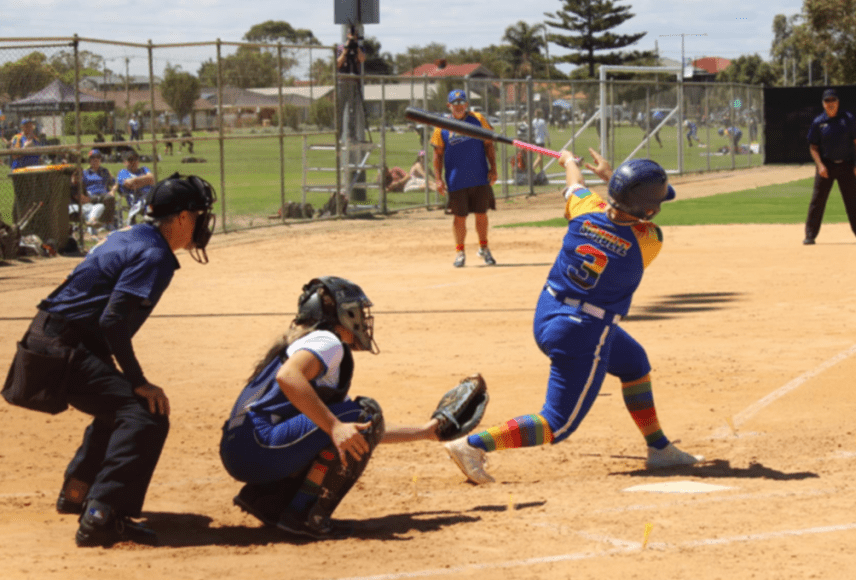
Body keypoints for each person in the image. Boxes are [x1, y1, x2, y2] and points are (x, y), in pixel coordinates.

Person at [443, 148, 703, 485]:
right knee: (557, 424)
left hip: (549, 312)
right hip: (584, 331)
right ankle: (472, 445)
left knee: (634, 362)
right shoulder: (648, 240)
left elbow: (574, 185)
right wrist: (614, 180)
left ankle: (659, 449)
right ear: (649, 208)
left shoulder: (584, 210)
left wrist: (568, 161)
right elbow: (642, 215)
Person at [4, 173, 216, 547]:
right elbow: (113, 319)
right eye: (199, 215)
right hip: (62, 349)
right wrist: (138, 379)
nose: (202, 223)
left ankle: (78, 492)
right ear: (182, 218)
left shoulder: (132, 236)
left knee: (118, 406)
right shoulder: (154, 255)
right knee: (145, 413)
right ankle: (102, 516)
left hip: (50, 341)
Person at [220, 277, 447, 539]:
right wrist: (335, 426)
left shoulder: (303, 343)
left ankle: (267, 499)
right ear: (339, 314)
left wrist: (427, 431)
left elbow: (360, 431)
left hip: (245, 448)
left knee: (354, 419)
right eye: (356, 311)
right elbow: (289, 377)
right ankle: (305, 516)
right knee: (363, 412)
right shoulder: (328, 341)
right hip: (260, 446)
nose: (362, 318)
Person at [432, 89, 498, 267]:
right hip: (456, 179)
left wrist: (494, 168)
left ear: (467, 104)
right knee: (459, 217)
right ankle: (460, 252)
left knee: (481, 214)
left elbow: (489, 144)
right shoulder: (442, 125)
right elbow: (437, 154)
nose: (459, 106)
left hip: (479, 176)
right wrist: (438, 179)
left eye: (462, 102)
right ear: (449, 106)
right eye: (455, 104)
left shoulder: (478, 119)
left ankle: (484, 248)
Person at [803, 88, 856, 245]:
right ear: (823, 104)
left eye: (833, 100)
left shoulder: (848, 119)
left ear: (838, 102)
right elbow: (813, 147)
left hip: (846, 165)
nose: (830, 104)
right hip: (826, 166)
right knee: (817, 201)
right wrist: (820, 165)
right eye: (827, 101)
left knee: (853, 201)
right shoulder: (818, 122)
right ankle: (810, 236)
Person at [69, 149, 117, 231]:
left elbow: (115, 183)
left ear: (100, 160)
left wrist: (113, 191)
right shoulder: (85, 173)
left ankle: (108, 223)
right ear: (89, 161)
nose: (95, 160)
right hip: (91, 195)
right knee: (99, 200)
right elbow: (77, 183)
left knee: (110, 198)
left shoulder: (105, 171)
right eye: (93, 158)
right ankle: (96, 223)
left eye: (97, 158)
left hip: (104, 194)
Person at [117, 151, 156, 224]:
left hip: (150, 197)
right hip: (135, 200)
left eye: (136, 159)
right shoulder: (123, 172)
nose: (133, 162)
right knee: (149, 201)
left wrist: (135, 180)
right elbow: (130, 185)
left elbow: (152, 178)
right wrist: (146, 181)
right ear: (125, 162)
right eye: (130, 160)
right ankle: (149, 220)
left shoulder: (144, 169)